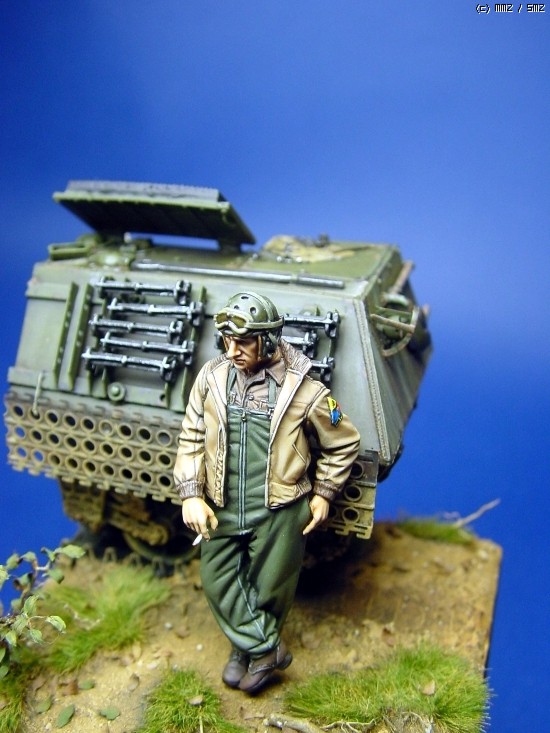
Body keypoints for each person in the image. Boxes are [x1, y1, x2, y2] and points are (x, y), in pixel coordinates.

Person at [174, 291, 360, 694]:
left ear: (268, 340)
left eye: (243, 342)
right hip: (222, 503)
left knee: (270, 587)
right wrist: (191, 493)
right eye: (227, 341)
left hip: (279, 508)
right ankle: (266, 648)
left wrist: (324, 492)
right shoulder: (211, 377)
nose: (232, 351)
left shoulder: (306, 391)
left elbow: (344, 440)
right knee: (217, 578)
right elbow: (191, 436)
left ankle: (245, 651)